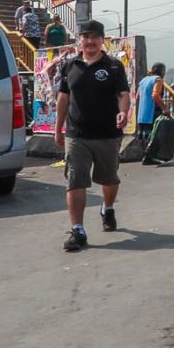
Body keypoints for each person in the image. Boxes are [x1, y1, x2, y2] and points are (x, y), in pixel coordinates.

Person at [55, 19, 131, 252]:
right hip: (77, 134)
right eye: (86, 37)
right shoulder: (69, 66)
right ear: (80, 40)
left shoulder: (114, 67)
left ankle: (107, 208)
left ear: (102, 40)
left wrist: (123, 112)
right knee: (75, 179)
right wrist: (58, 128)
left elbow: (123, 94)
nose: (90, 41)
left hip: (108, 134)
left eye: (94, 37)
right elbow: (63, 99)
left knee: (109, 179)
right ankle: (78, 230)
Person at [137, 62, 174, 165]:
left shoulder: (143, 80)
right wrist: (164, 109)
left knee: (144, 135)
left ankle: (145, 156)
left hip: (141, 113)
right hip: (152, 111)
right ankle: (149, 157)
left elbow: (137, 96)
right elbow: (155, 95)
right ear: (162, 71)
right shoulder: (158, 80)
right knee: (154, 135)